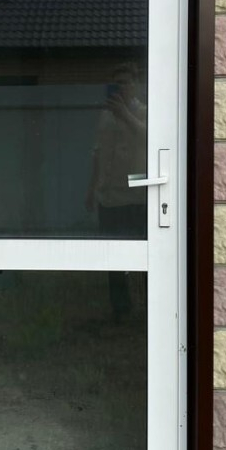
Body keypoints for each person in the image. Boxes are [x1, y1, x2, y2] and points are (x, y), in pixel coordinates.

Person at [85, 62, 147, 318]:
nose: (120, 87)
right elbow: (98, 153)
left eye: (125, 82)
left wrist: (125, 115)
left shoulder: (145, 111)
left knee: (140, 256)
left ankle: (148, 308)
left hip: (135, 197)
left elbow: (150, 139)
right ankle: (120, 309)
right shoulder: (105, 115)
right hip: (108, 197)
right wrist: (91, 189)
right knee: (112, 256)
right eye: (116, 83)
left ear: (136, 85)